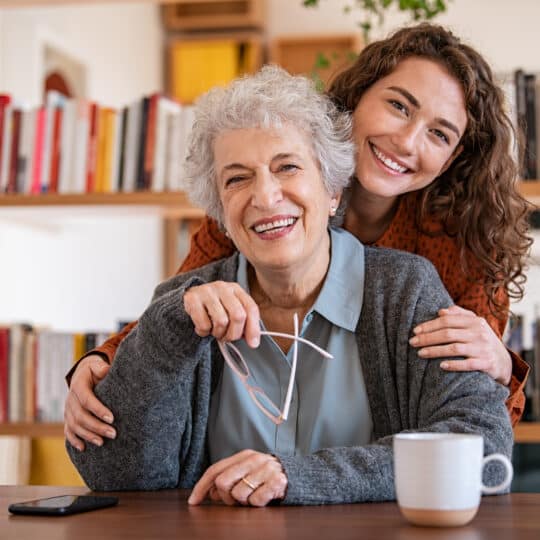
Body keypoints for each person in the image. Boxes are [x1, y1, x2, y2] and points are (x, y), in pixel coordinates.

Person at [64, 23, 531, 452]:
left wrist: (504, 368)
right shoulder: (260, 205)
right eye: (398, 105)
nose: (408, 141)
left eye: (439, 134)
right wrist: (103, 359)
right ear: (356, 98)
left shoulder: (466, 244)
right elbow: (186, 304)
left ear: (451, 159)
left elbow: (475, 425)